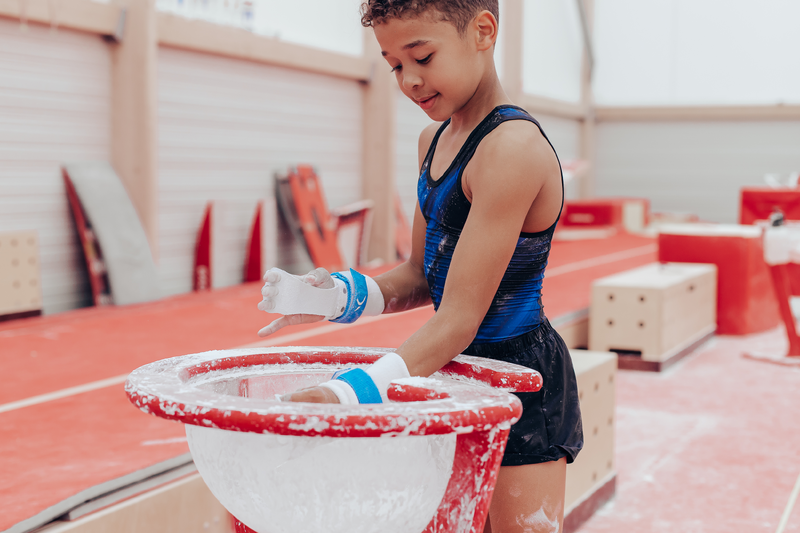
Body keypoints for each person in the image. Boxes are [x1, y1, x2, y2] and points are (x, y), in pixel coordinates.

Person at [257, 1, 583, 531]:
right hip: (446, 367)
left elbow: (459, 316)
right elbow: (419, 275)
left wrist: (350, 392)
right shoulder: (432, 141)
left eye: (422, 57)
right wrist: (334, 296)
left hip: (521, 378)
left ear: (482, 31)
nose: (408, 80)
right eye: (393, 65)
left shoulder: (513, 149)